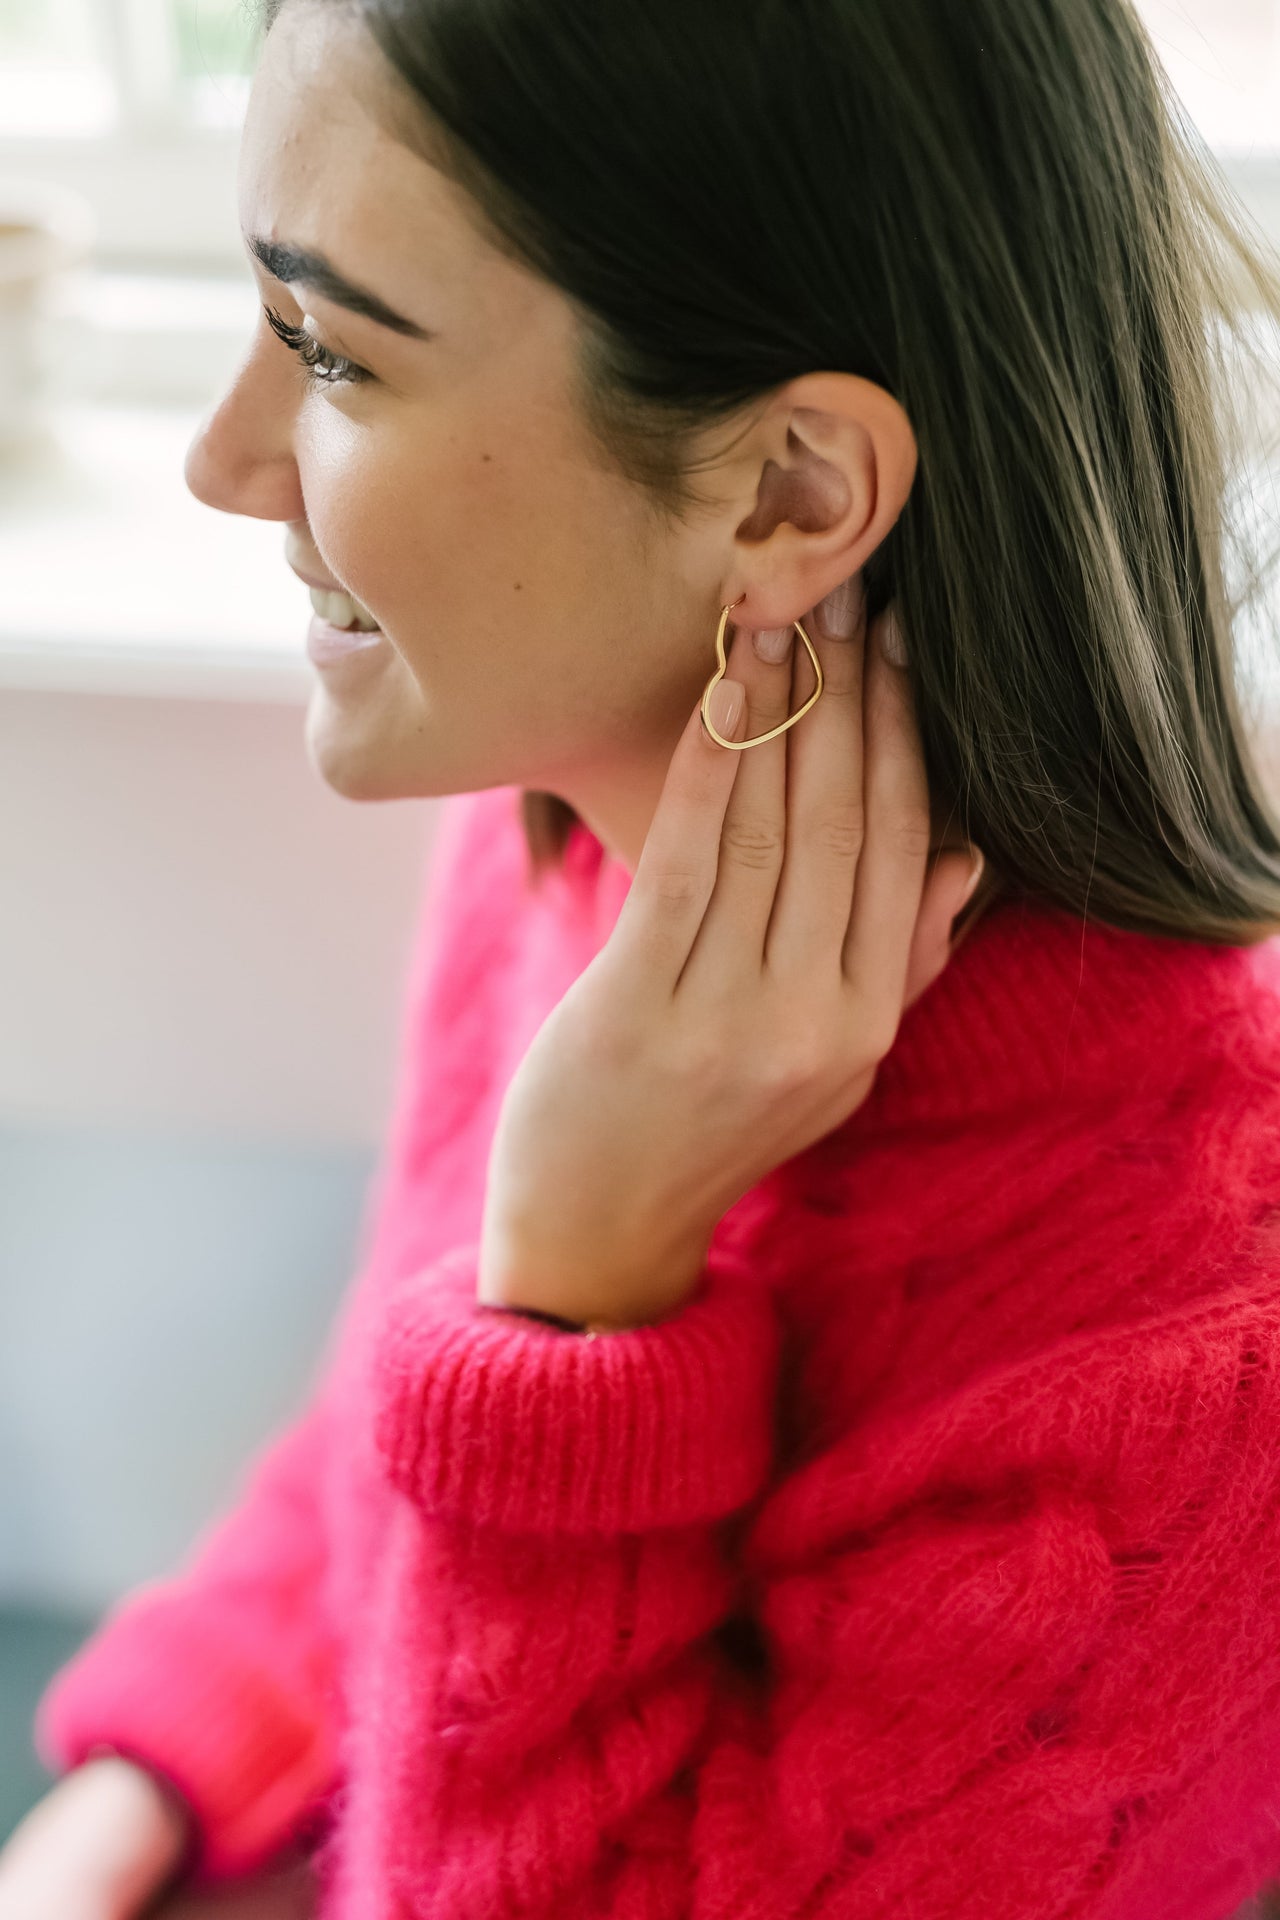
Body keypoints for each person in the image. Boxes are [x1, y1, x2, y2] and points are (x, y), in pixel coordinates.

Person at [3, 0, 1280, 1912]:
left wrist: (577, 1284)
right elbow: (368, 1465)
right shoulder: (589, 822)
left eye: (331, 353)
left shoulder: (1193, 1372)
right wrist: (121, 1813)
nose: (222, 460)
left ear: (789, 497)